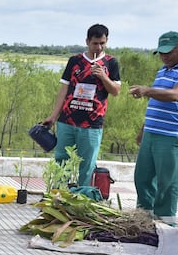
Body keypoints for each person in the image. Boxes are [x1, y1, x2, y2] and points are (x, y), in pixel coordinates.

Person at [129, 31, 178, 226]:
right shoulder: (163, 70)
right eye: (161, 53)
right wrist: (144, 129)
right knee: (142, 178)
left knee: (167, 184)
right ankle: (143, 221)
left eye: (168, 52)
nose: (164, 56)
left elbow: (175, 94)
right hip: (152, 132)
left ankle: (166, 226)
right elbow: (156, 102)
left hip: (170, 136)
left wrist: (146, 90)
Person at [43, 24, 121, 186]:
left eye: (102, 43)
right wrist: (53, 116)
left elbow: (115, 91)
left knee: (87, 164)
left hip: (92, 124)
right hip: (67, 121)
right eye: (95, 43)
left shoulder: (110, 62)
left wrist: (103, 77)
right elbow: (64, 90)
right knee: (62, 161)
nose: (98, 47)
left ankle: (83, 196)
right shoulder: (75, 61)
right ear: (87, 41)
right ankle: (58, 194)